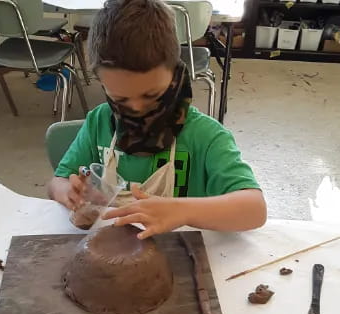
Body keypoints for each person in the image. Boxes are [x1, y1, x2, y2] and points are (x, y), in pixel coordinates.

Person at [48, 0, 266, 239]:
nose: (136, 108)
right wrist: (69, 191)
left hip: (181, 254)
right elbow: (56, 182)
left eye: (151, 95)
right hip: (111, 248)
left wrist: (182, 211)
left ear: (174, 72)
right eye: (120, 98)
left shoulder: (206, 136)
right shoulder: (99, 122)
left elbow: (254, 209)